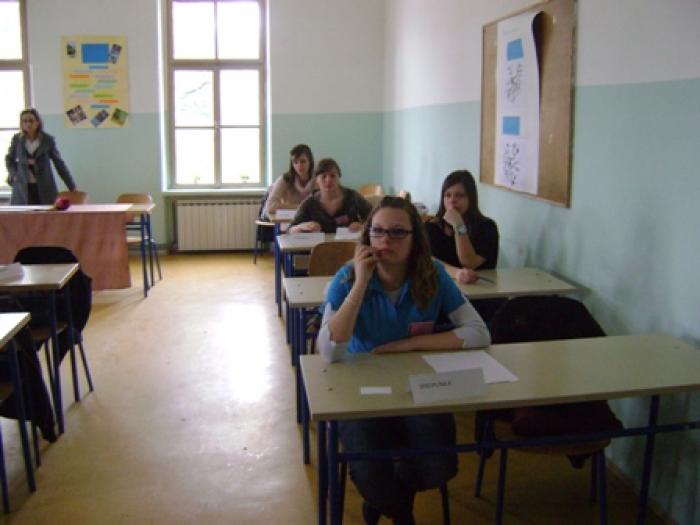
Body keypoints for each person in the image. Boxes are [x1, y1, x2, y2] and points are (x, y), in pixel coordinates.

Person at [317, 196, 490, 525]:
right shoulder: (347, 277)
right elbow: (329, 351)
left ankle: (387, 500)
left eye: (397, 232)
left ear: (415, 239)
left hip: (418, 385)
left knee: (439, 465)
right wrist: (361, 283)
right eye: (378, 231)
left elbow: (479, 332)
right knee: (369, 469)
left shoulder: (432, 274)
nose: (386, 240)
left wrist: (409, 345)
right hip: (361, 390)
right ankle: (399, 511)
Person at [425, 170, 501, 322]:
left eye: (459, 195)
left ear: (471, 198)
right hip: (441, 294)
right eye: (447, 195)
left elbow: (469, 262)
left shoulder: (487, 227)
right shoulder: (430, 227)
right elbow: (428, 261)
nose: (452, 201)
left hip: (480, 297)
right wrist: (457, 273)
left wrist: (459, 226)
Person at [5, 108, 77, 205]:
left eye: (31, 121)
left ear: (37, 122)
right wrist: (14, 174)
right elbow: (9, 159)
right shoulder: (17, 139)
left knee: (45, 212)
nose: (28, 124)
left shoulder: (47, 140)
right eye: (25, 121)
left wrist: (71, 186)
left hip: (44, 186)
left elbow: (59, 164)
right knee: (23, 213)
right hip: (22, 187)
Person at [288, 158, 372, 233]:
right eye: (323, 176)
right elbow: (290, 230)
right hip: (318, 246)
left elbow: (374, 217)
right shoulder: (309, 203)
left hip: (348, 245)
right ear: (316, 180)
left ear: (339, 177)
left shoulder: (352, 197)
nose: (328, 180)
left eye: (332, 176)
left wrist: (363, 226)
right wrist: (301, 227)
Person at [262, 144, 315, 218]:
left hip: (309, 219)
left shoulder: (318, 179)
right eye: (295, 162)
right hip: (288, 219)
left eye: (303, 161)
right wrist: (302, 207)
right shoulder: (285, 179)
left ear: (310, 162)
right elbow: (270, 207)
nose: (299, 166)